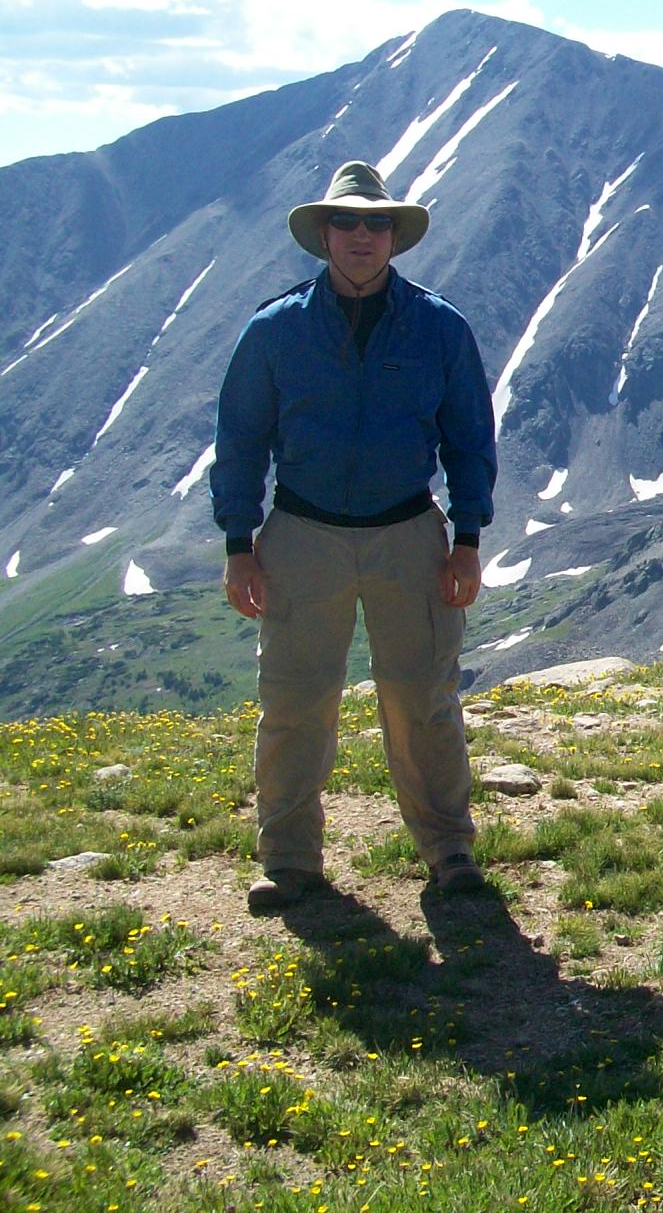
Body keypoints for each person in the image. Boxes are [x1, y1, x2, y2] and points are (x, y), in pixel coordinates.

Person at [212, 161, 497, 912]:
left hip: (410, 531)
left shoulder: (440, 326)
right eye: (347, 222)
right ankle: (290, 860)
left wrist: (467, 535)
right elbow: (240, 439)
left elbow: (471, 437)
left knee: (422, 698)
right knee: (296, 700)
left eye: (376, 223)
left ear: (394, 236)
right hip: (302, 533)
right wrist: (239, 542)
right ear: (324, 235)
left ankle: (449, 848)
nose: (362, 236)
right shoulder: (274, 331)